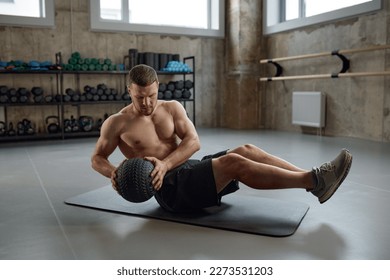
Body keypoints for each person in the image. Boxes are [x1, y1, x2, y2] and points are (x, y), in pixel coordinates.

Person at [91, 64, 353, 213]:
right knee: (233, 163)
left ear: (158, 86)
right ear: (129, 91)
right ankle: (316, 180)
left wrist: (166, 162)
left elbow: (193, 142)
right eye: (139, 97)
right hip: (170, 191)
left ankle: (313, 181)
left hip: (187, 171)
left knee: (245, 149)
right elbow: (97, 158)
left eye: (151, 95)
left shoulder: (172, 108)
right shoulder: (118, 122)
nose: (146, 102)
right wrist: (114, 172)